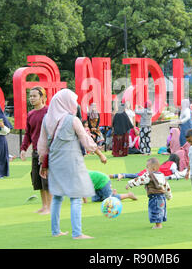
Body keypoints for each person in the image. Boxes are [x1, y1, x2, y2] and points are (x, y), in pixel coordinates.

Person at [38, 89, 107, 239]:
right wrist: (100, 154)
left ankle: (56, 231)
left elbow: (42, 145)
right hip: (71, 160)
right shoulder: (72, 119)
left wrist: (43, 164)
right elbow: (86, 140)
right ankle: (77, 233)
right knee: (76, 197)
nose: (75, 104)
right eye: (73, 101)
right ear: (66, 102)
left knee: (57, 196)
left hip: (54, 162)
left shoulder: (46, 119)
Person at [20, 86, 51, 215]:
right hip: (35, 151)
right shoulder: (30, 114)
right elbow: (28, 133)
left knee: (47, 180)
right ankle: (44, 206)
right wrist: (23, 149)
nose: (31, 98)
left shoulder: (48, 112)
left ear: (42, 97)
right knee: (37, 180)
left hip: (47, 152)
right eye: (30, 96)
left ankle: (50, 207)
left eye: (34, 96)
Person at [125, 157, 172, 229]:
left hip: (154, 197)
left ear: (153, 168)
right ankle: (159, 223)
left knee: (155, 210)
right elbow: (167, 187)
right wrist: (168, 196)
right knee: (161, 209)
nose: (146, 169)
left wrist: (130, 184)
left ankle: (158, 225)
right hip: (162, 197)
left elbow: (140, 180)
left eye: (147, 167)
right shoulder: (162, 175)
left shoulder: (149, 175)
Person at [111, 153, 181, 180]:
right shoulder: (173, 164)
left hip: (152, 172)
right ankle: (122, 175)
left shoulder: (166, 163)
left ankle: (115, 175)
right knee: (136, 176)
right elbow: (176, 173)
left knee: (136, 175)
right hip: (153, 173)